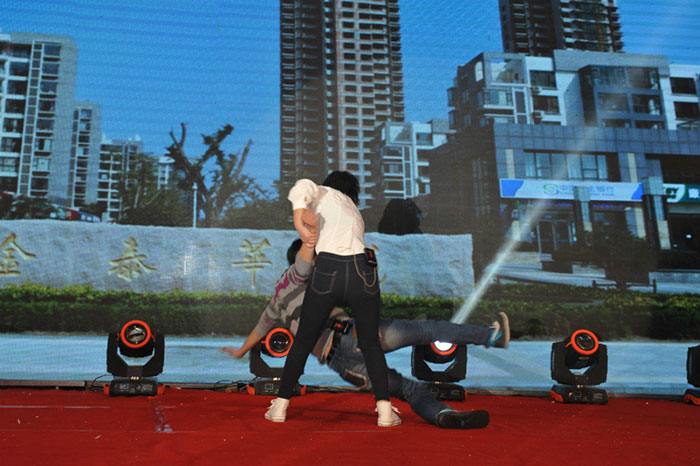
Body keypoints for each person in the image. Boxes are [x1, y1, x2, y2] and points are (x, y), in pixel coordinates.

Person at [222, 238, 510, 429]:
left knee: (409, 390)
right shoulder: (305, 273)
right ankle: (491, 336)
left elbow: (261, 328)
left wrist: (240, 351)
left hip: (342, 365)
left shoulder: (278, 299)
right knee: (430, 330)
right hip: (356, 334)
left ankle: (443, 414)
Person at [265, 171, 404, 426]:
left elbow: (303, 185)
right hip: (363, 270)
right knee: (371, 344)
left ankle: (280, 407)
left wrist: (299, 220)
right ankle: (385, 412)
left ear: (330, 184)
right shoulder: (354, 210)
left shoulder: (324, 193)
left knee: (304, 339)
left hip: (329, 268)